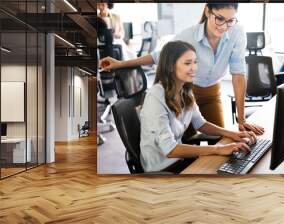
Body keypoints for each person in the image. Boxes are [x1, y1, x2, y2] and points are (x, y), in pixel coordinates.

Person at [99, 3, 265, 137]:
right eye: (219, 18)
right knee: (184, 148)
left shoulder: (237, 32)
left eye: (230, 20)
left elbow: (238, 74)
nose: (224, 26)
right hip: (184, 95)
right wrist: (120, 64)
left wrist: (241, 119)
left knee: (221, 140)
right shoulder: (189, 35)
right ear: (208, 11)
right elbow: (159, 56)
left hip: (212, 93)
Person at [140, 41, 257, 172]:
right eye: (187, 63)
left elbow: (200, 124)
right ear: (171, 66)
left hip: (180, 159)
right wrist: (217, 149)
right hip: (162, 168)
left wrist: (232, 134)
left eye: (195, 62)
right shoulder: (155, 96)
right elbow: (170, 149)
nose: (194, 68)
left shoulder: (185, 90)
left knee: (230, 166)